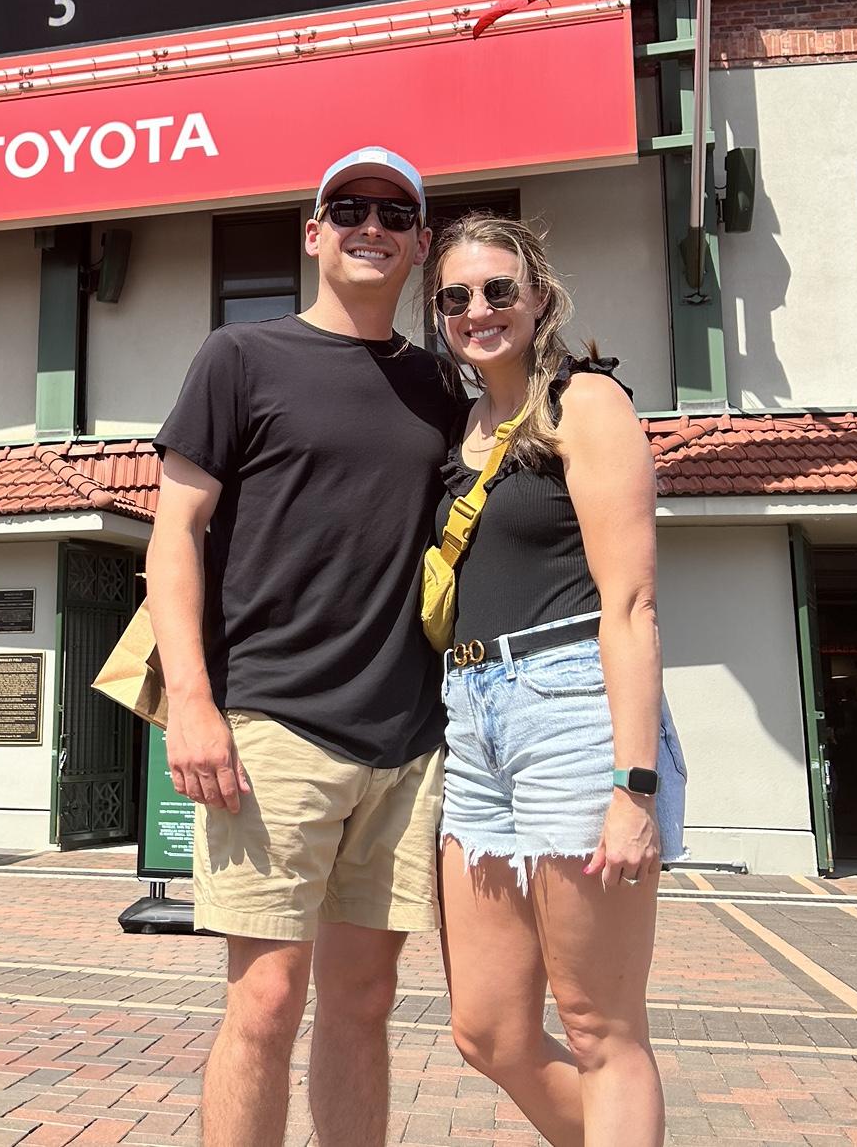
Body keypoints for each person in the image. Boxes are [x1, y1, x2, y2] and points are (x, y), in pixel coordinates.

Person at [148, 147, 459, 1147]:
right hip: (273, 725)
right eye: (349, 207)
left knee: (365, 1000)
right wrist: (192, 702)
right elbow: (175, 532)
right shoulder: (240, 357)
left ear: (420, 243)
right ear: (314, 231)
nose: (371, 225)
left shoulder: (442, 386)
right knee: (268, 999)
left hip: (408, 738)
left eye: (395, 213)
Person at [427, 211, 687, 1147]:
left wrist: (633, 787)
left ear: (539, 297)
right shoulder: (458, 429)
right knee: (487, 1031)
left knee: (598, 1026)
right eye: (456, 297)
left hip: (571, 707)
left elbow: (632, 607)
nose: (479, 309)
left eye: (500, 289)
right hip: (472, 722)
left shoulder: (587, 402)